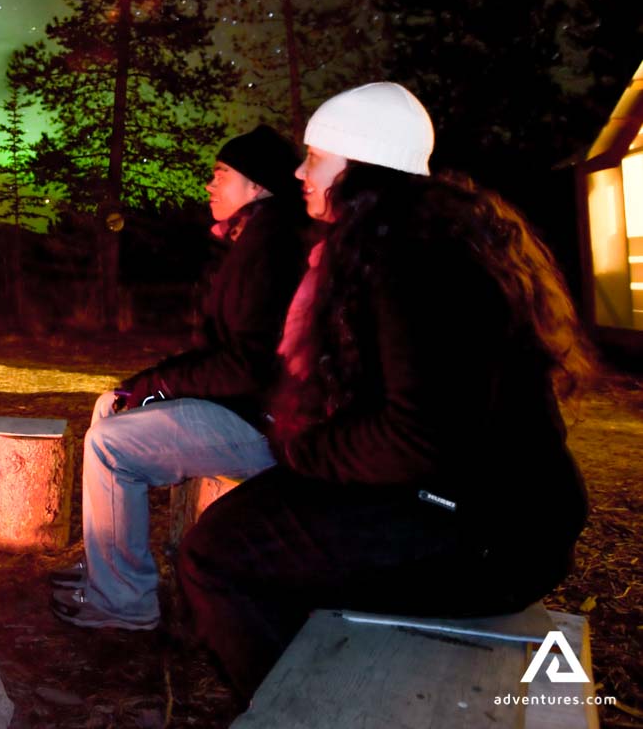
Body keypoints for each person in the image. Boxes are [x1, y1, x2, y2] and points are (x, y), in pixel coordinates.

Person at [177, 82, 592, 704]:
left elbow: (420, 433)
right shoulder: (409, 235)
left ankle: (308, 712)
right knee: (250, 530)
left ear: (358, 163)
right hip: (475, 505)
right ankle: (336, 683)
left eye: (314, 156)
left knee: (218, 553)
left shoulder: (416, 256)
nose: (299, 169)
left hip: (492, 533)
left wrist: (303, 450)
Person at [50, 125, 308, 630]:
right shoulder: (251, 240)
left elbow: (247, 365)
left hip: (267, 426)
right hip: (246, 407)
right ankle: (110, 570)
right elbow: (224, 354)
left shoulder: (272, 250)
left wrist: (156, 387)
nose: (210, 185)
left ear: (256, 186)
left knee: (110, 444)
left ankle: (123, 601)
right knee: (109, 407)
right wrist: (145, 387)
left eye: (221, 174)